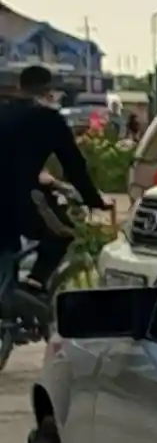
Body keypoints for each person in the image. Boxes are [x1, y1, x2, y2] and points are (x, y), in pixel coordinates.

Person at [0, 64, 104, 306]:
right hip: (18, 198)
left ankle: (11, 304)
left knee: (8, 245)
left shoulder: (3, 112)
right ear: (47, 89)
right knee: (63, 232)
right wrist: (93, 200)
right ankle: (34, 285)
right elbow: (74, 164)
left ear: (19, 86)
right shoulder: (49, 119)